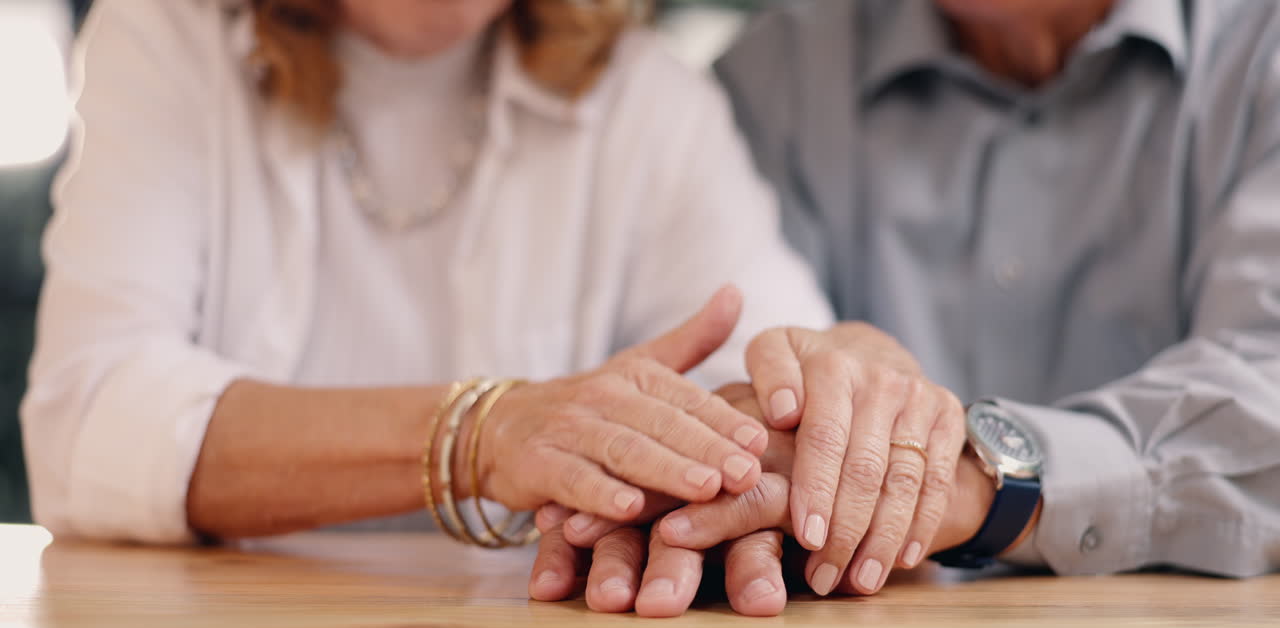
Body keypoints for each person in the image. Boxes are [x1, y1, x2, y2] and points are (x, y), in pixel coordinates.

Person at [532, 0, 1280, 617]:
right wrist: (716, 477)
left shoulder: (1261, 52)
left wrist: (975, 488)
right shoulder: (775, 75)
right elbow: (751, 418)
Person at [21, 0, 850, 543]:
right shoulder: (167, 36)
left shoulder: (649, 99)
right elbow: (87, 423)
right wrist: (481, 434)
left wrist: (713, 500)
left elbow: (779, 391)